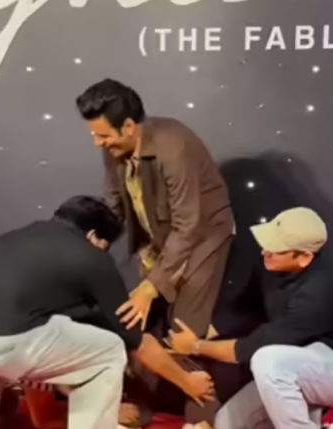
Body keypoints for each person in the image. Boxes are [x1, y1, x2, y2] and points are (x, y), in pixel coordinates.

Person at [0, 196, 215, 429]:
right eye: (105, 244)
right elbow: (138, 343)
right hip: (7, 341)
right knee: (109, 349)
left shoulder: (14, 240)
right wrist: (187, 382)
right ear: (93, 236)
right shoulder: (90, 255)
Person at [75, 79, 234, 425]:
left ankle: (201, 419)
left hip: (203, 239)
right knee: (141, 328)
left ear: (129, 126)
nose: (98, 142)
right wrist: (97, 240)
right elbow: (114, 202)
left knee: (184, 334)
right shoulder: (114, 146)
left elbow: (189, 225)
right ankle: (140, 414)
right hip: (161, 240)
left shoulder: (175, 148)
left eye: (102, 135)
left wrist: (150, 287)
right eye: (95, 135)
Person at [168, 207, 333, 429]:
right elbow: (246, 310)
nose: (265, 252)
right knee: (225, 423)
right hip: (300, 364)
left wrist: (194, 346)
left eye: (276, 249)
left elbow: (249, 349)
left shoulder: (316, 293)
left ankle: (331, 417)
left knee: (266, 360)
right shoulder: (273, 267)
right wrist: (203, 331)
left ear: (304, 258)